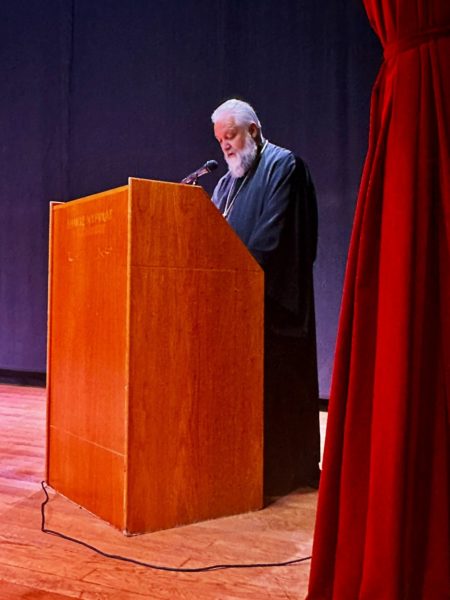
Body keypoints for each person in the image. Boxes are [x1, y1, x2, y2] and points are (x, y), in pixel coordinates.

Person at [211, 98, 321, 496]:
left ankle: (282, 473)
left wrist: (238, 279)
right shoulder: (225, 183)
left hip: (274, 308)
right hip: (232, 305)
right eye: (220, 140)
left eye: (230, 136)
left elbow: (273, 240)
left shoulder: (284, 166)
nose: (225, 145)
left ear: (253, 130)